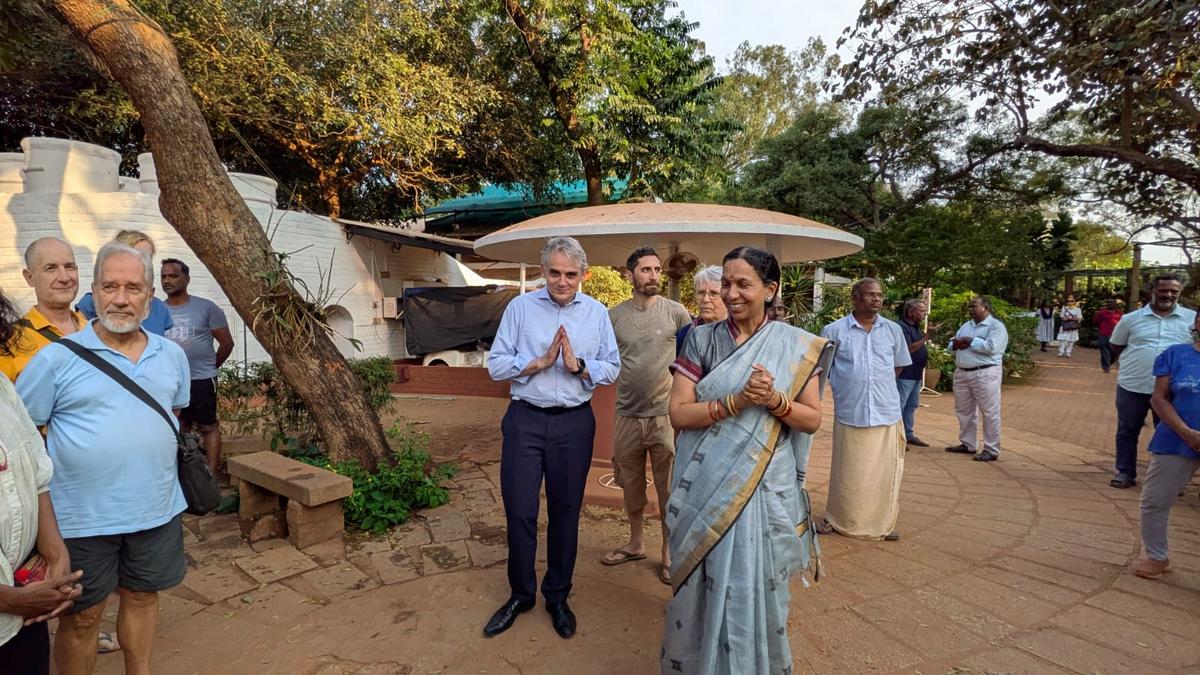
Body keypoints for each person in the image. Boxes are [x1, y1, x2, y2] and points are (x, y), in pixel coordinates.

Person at [17, 242, 191, 675]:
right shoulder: (55, 359)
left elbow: (174, 415)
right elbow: (24, 438)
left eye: (133, 288)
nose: (120, 299)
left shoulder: (171, 355)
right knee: (83, 617)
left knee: (143, 597)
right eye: (110, 287)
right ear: (93, 293)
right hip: (81, 521)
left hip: (156, 510)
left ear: (150, 296)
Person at [661, 246, 828, 674]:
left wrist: (774, 399)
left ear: (770, 290)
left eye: (743, 284)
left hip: (765, 488)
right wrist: (733, 402)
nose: (731, 294)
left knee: (761, 587)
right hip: (707, 486)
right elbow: (678, 413)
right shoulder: (701, 339)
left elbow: (811, 420)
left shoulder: (795, 346)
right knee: (702, 583)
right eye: (726, 284)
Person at [482, 236, 621, 640]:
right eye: (555, 273)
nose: (562, 281)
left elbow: (612, 367)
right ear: (543, 271)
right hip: (525, 421)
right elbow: (495, 365)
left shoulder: (596, 313)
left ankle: (557, 595)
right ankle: (521, 594)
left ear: (584, 275)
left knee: (565, 511)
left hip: (573, 425)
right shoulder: (520, 308)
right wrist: (538, 362)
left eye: (570, 274)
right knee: (520, 511)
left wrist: (579, 367)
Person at [0, 288, 84, 675]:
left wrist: (55, 555)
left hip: (26, 606)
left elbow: (36, 471)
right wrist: (8, 600)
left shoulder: (3, 388)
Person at [602, 248, 691, 584]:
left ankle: (668, 551)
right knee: (631, 484)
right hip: (626, 414)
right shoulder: (614, 316)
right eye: (646, 269)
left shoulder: (677, 313)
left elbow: (690, 358)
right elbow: (604, 358)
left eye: (657, 269)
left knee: (668, 490)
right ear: (630, 275)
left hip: (664, 416)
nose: (654, 275)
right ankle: (636, 542)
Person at [818, 279, 910, 540]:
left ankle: (881, 523)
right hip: (851, 410)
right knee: (848, 472)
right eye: (870, 294)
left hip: (885, 411)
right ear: (855, 298)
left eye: (879, 295)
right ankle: (840, 519)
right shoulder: (834, 330)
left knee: (883, 473)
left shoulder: (893, 330)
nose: (877, 299)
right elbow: (823, 368)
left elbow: (898, 366)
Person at [1108, 274, 1195, 489]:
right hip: (1133, 385)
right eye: (1163, 290)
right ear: (1152, 291)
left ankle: (1168, 481)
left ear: (1180, 293)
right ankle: (1125, 472)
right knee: (1127, 430)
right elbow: (1116, 345)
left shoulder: (1191, 319)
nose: (1168, 295)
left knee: (1171, 432)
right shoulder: (1131, 319)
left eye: (1174, 291)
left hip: (1171, 391)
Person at [1134, 312, 1200, 579]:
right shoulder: (1175, 354)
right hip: (1176, 439)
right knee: (1155, 501)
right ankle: (1157, 556)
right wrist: (1187, 432)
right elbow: (1159, 399)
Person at [161, 258, 234, 473]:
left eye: (173, 276)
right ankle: (186, 474)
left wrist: (211, 368)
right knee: (179, 426)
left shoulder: (206, 308)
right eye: (164, 276)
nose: (167, 280)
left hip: (201, 380)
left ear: (187, 279)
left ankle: (211, 474)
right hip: (171, 382)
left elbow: (227, 343)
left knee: (208, 426)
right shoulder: (156, 311)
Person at [1, 238, 87, 382]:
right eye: (51, 268)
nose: (64, 278)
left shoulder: (93, 330)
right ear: (30, 277)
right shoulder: (11, 342)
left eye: (69, 267)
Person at [945, 296, 1009, 462]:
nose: (970, 309)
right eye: (969, 306)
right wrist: (956, 344)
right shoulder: (967, 325)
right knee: (964, 411)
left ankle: (991, 449)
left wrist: (971, 341)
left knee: (989, 412)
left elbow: (992, 347)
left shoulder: (996, 327)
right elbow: (951, 345)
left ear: (985, 308)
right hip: (962, 372)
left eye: (974, 306)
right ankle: (968, 444)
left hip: (985, 373)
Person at [76, 230, 173, 336]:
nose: (121, 300)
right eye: (136, 254)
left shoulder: (159, 308)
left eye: (148, 257)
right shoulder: (90, 303)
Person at [896, 298, 932, 448]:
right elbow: (907, 349)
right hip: (905, 374)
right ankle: (896, 438)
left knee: (912, 406)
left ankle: (908, 434)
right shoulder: (901, 327)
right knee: (899, 406)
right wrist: (926, 338)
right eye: (921, 311)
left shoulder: (916, 327)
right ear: (910, 312)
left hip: (916, 374)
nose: (924, 314)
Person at [675, 265, 726, 356]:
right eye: (701, 293)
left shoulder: (743, 333)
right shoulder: (685, 333)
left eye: (714, 293)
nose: (705, 299)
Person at [1094, 298, 1123, 373]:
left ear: (1115, 304)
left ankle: (1109, 362)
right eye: (1109, 302)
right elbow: (1096, 322)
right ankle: (1106, 367)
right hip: (1103, 334)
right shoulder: (1101, 313)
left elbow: (1122, 324)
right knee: (1104, 351)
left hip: (1115, 335)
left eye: (1112, 302)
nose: (1110, 303)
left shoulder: (1120, 314)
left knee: (1114, 352)